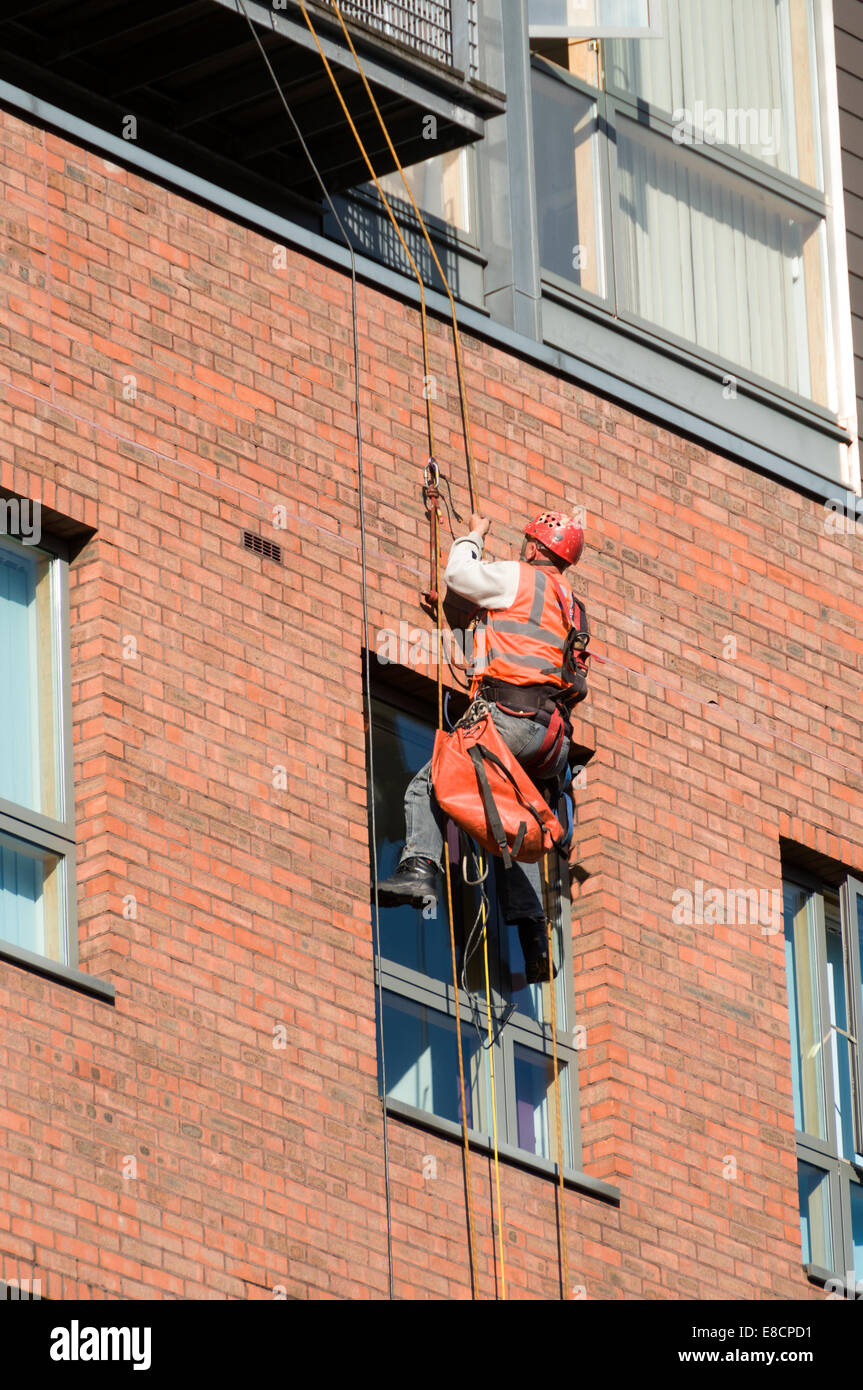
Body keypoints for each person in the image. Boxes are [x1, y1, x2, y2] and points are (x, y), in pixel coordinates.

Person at [378, 509, 589, 983]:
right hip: (550, 739)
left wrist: (471, 535)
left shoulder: (520, 577)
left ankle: (419, 868)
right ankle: (535, 936)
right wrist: (456, 624)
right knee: (511, 825)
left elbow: (460, 574)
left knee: (431, 782)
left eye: (526, 543)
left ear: (535, 548)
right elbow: (504, 654)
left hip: (510, 719)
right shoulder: (570, 606)